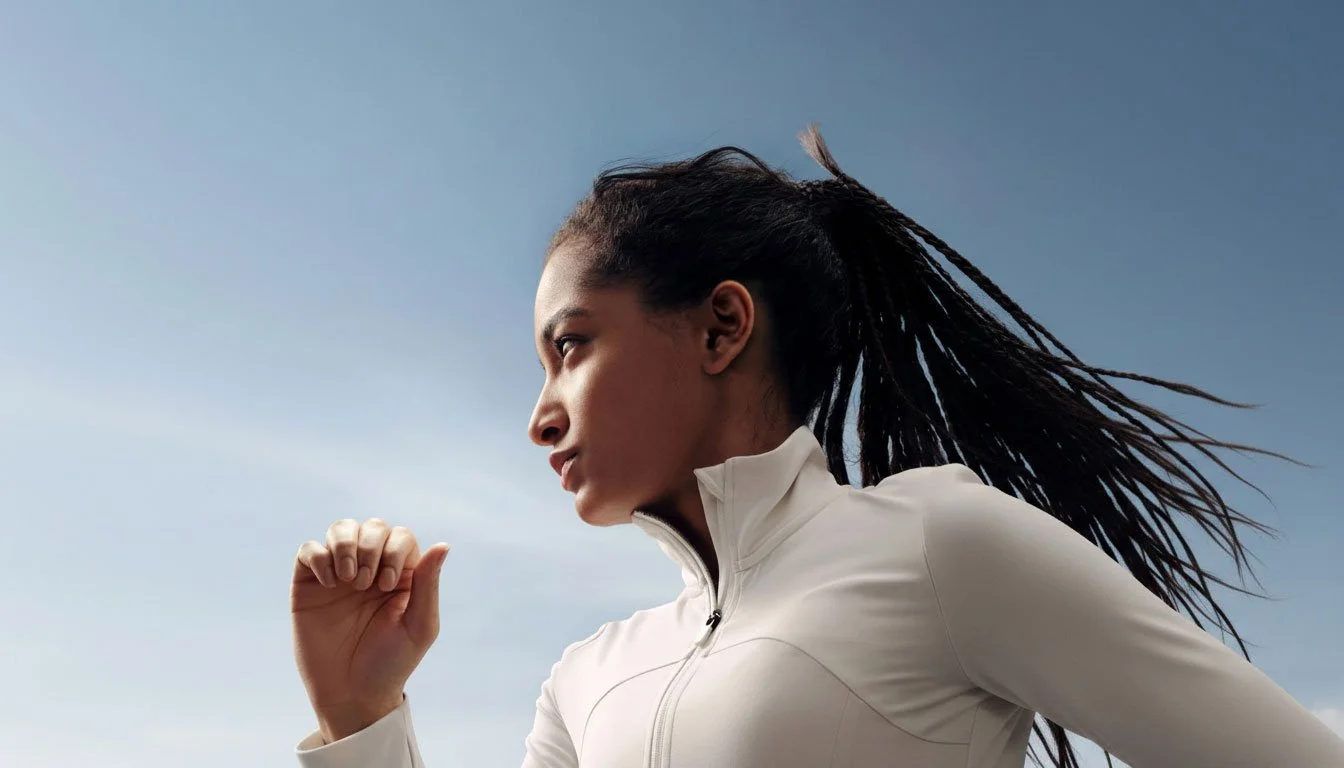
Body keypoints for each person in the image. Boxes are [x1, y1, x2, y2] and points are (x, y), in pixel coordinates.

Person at [288, 128, 1344, 768]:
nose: (541, 413)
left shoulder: (943, 547)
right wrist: (360, 714)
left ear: (721, 327)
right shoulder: (588, 676)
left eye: (570, 347)